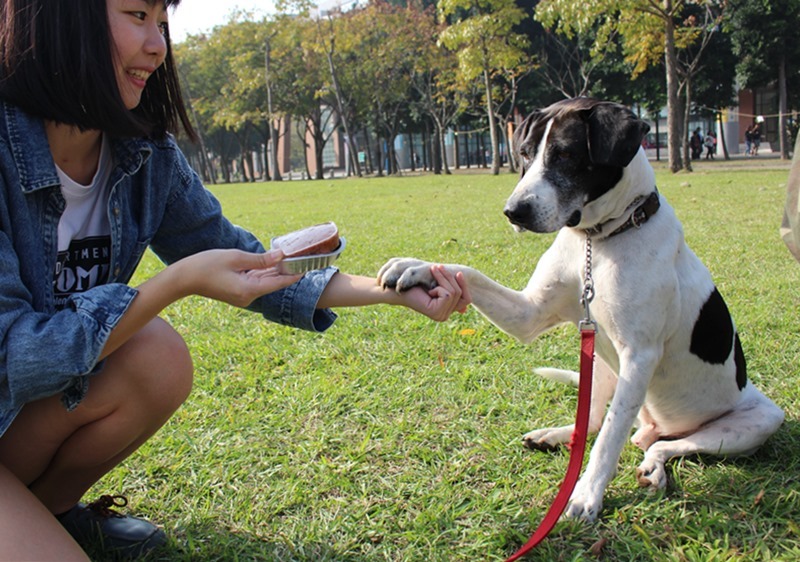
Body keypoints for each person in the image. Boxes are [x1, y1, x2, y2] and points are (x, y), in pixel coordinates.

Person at [0, 1, 471, 560]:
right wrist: (175, 283)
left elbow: (243, 255)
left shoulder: (142, 152)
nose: (158, 46)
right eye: (136, 14)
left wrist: (390, 290)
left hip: (19, 430)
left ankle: (51, 511)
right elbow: (15, 353)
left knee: (157, 355)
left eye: (163, 24)